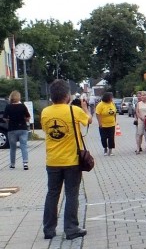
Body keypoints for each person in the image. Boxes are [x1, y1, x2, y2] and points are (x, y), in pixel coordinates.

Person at [42, 79, 92, 240]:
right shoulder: (73, 110)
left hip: (52, 160)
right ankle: (71, 229)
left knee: (52, 194)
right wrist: (85, 108)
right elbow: (89, 121)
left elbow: (46, 130)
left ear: (51, 96)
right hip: (71, 161)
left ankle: (49, 230)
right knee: (71, 194)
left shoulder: (45, 112)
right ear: (67, 95)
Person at [5, 90, 31, 169]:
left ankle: (12, 164)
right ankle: (25, 163)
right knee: (24, 146)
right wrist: (25, 120)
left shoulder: (8, 107)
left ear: (11, 97)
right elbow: (28, 117)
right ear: (18, 97)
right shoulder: (22, 106)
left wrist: (9, 120)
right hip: (22, 128)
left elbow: (5, 118)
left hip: (12, 129)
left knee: (13, 148)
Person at [95, 92, 117, 156]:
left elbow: (115, 112)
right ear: (107, 98)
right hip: (103, 125)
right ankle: (105, 148)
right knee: (103, 138)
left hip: (111, 124)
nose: (112, 98)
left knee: (111, 137)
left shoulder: (112, 104)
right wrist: (100, 123)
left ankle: (110, 150)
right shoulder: (100, 105)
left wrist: (115, 120)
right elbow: (97, 114)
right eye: (111, 97)